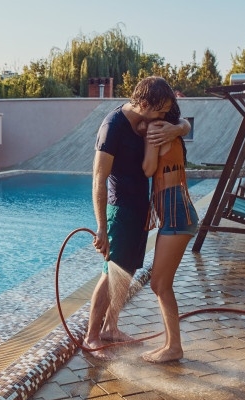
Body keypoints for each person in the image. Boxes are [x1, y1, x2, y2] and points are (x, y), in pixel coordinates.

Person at [83, 76, 190, 360]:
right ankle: (92, 337)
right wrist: (102, 228)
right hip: (120, 210)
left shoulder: (146, 122)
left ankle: (111, 328)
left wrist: (178, 126)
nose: (164, 116)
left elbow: (182, 123)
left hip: (140, 211)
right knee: (110, 274)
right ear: (144, 103)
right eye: (160, 111)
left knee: (126, 273)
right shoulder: (112, 126)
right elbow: (98, 179)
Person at [139, 100, 199, 363]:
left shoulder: (156, 130)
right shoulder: (173, 129)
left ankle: (174, 347)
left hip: (176, 215)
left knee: (160, 284)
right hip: (178, 213)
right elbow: (184, 125)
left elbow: (148, 169)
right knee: (160, 284)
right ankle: (170, 345)